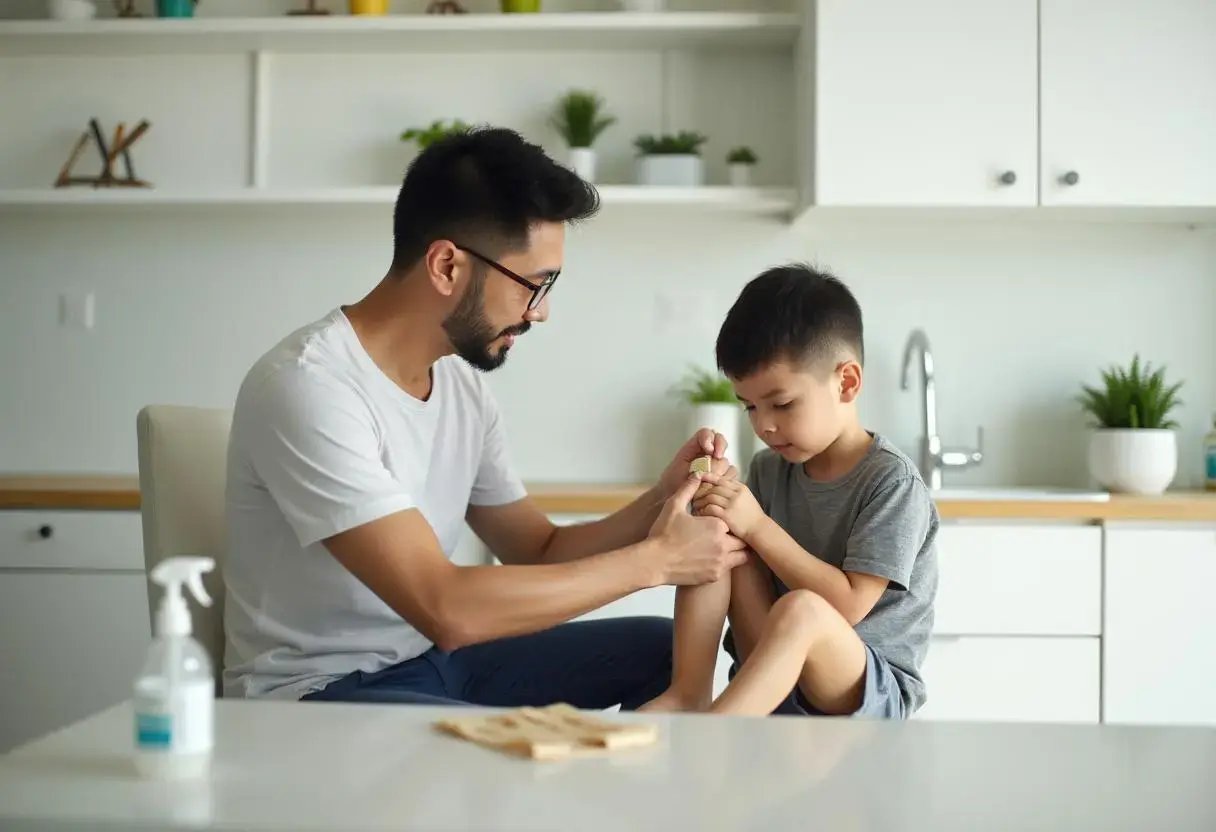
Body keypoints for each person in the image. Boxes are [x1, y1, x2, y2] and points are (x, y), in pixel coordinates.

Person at [222, 127, 748, 708]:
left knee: (670, 649)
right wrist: (656, 562)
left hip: (434, 661)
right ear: (447, 266)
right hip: (321, 692)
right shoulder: (308, 386)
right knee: (483, 753)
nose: (541, 313)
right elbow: (446, 607)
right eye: (534, 285)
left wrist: (661, 498)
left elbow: (539, 549)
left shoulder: (461, 387)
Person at [642, 265, 939, 718]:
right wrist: (715, 502)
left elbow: (849, 606)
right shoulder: (767, 469)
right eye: (750, 407)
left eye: (782, 403)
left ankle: (715, 733)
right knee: (717, 538)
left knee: (804, 610)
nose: (764, 424)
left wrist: (757, 524)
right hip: (774, 676)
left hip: (861, 688)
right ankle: (690, 693)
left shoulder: (891, 482)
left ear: (847, 383)